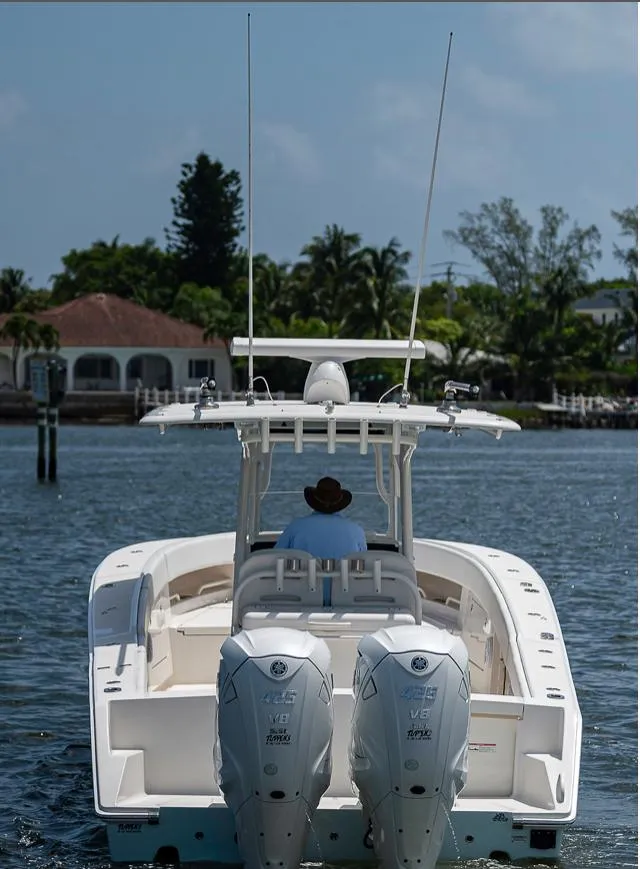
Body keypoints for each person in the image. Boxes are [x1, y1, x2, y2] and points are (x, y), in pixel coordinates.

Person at [274, 476, 367, 560]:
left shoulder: (295, 527)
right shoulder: (356, 531)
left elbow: (274, 559)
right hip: (344, 579)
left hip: (304, 579)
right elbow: (363, 563)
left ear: (314, 501)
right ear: (340, 503)